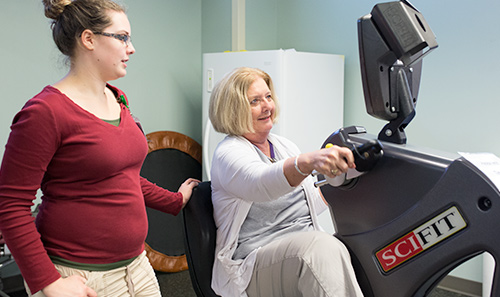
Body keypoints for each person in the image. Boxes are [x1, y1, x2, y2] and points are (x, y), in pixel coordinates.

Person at [0, 0, 199, 296]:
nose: (131, 48)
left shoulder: (118, 100)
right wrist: (49, 282)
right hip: (78, 276)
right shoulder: (45, 112)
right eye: (122, 37)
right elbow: (10, 206)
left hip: (137, 267)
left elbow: (122, 176)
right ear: (89, 39)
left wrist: (173, 200)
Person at [208, 67, 364, 297]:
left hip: (300, 249)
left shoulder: (282, 145)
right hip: (255, 263)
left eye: (268, 97)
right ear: (234, 109)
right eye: (255, 101)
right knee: (320, 248)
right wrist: (306, 162)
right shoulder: (228, 153)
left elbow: (308, 201)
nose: (267, 106)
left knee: (352, 246)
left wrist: (348, 176)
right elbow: (259, 184)